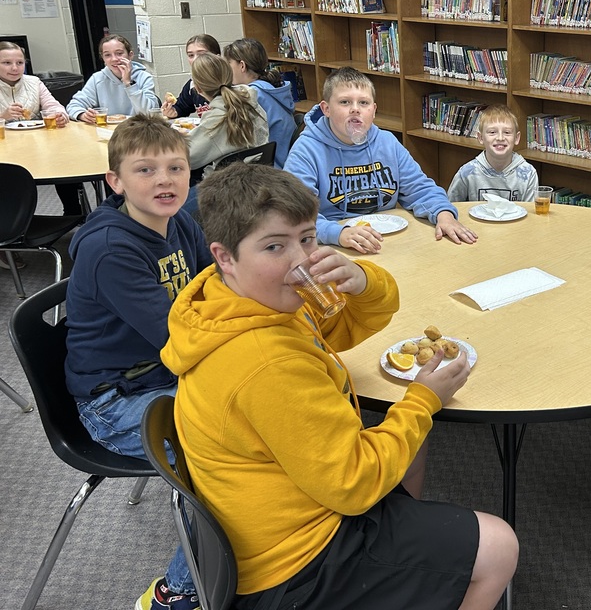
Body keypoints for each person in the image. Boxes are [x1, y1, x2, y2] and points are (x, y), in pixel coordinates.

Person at [161, 162, 519, 609]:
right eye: (275, 246)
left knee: (412, 440)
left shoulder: (236, 300)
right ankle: (389, 569)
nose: (301, 261)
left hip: (278, 509)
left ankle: (402, 565)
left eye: (307, 238)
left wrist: (364, 280)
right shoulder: (265, 362)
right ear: (225, 256)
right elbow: (351, 485)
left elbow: (343, 327)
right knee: (500, 544)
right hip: (293, 564)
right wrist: (424, 399)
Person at [64, 114, 211, 610]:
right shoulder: (111, 248)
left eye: (176, 168)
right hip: (114, 401)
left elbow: (216, 290)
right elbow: (183, 335)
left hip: (163, 373)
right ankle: (177, 592)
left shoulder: (181, 222)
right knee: (224, 450)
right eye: (145, 170)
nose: (164, 180)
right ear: (115, 181)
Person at [285, 67, 478, 254]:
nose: (355, 110)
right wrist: (338, 233)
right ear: (326, 109)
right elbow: (296, 213)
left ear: (374, 110)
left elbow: (421, 189)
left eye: (363, 103)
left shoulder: (387, 142)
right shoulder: (306, 150)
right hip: (333, 246)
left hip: (385, 243)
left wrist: (444, 215)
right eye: (344, 102)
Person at [0, 40, 82, 223]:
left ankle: (72, 212)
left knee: (65, 159)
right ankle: (15, 223)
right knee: (11, 178)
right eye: (7, 63)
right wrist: (3, 116)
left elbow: (55, 107)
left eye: (20, 63)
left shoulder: (34, 83)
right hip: (5, 150)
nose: (14, 68)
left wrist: (60, 115)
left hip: (38, 145)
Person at [184, 52, 269, 172]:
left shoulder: (216, 120)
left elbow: (186, 158)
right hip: (258, 179)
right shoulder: (250, 101)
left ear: (197, 88)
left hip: (229, 185)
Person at [223, 37, 294, 167]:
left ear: (242, 66)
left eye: (228, 64)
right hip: (284, 163)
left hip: (267, 169)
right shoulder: (273, 88)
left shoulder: (251, 95)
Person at [446, 104, 538, 202]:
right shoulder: (466, 173)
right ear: (480, 138)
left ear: (516, 138)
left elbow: (532, 213)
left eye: (507, 132)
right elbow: (451, 208)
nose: (500, 138)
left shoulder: (528, 173)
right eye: (492, 132)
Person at [66, 34, 159, 123]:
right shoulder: (97, 78)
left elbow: (150, 113)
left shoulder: (144, 77)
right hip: (107, 131)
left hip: (138, 131)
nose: (114, 59)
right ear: (103, 58)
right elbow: (73, 105)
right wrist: (82, 114)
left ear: (130, 55)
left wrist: (128, 83)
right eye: (107, 55)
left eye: (119, 53)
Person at [161, 34, 220, 119]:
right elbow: (182, 107)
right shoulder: (192, 85)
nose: (195, 60)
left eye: (201, 54)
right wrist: (173, 111)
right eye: (191, 55)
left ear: (217, 57)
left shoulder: (228, 81)